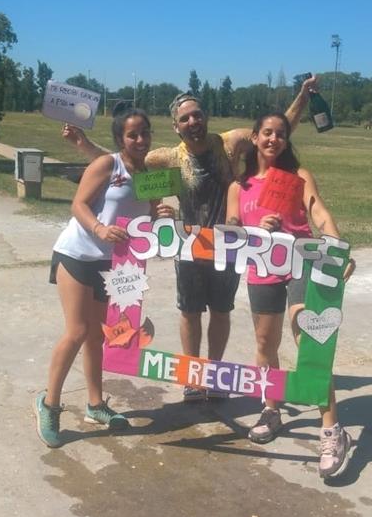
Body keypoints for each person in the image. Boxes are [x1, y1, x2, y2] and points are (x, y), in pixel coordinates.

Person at [64, 76, 319, 402]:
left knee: (221, 311)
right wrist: (83, 145)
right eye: (185, 118)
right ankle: (193, 377)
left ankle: (214, 374)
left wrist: (303, 96)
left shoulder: (229, 143)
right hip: (188, 245)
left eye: (197, 114)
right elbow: (123, 163)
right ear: (176, 126)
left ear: (205, 116)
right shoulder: (167, 158)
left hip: (228, 246)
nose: (192, 121)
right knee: (190, 311)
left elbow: (276, 131)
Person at [225, 111, 356, 478]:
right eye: (267, 133)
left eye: (280, 134)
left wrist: (337, 249)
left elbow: (321, 215)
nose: (273, 139)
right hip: (261, 267)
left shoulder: (298, 177)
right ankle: (271, 408)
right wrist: (253, 227)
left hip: (301, 263)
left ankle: (332, 429)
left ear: (286, 140)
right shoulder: (239, 185)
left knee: (308, 333)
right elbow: (232, 226)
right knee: (265, 342)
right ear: (254, 137)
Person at [34, 108, 157, 448]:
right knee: (76, 331)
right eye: (133, 134)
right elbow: (79, 204)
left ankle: (95, 404)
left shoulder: (150, 174)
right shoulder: (107, 164)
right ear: (121, 139)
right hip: (77, 254)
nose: (140, 139)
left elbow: (152, 215)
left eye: (144, 132)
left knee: (97, 337)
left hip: (113, 265)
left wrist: (163, 213)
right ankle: (49, 404)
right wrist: (100, 228)